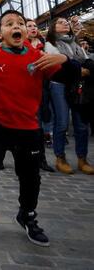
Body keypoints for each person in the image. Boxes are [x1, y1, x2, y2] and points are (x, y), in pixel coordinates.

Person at [0, 10, 81, 247]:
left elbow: (71, 75)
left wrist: (64, 59)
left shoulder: (38, 56)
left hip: (28, 127)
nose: (16, 26)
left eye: (20, 23)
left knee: (30, 176)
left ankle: (27, 215)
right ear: (0, 34)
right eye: (9, 24)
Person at [45, 17, 94, 174]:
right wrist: (78, 70)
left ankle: (82, 159)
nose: (65, 23)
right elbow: (58, 68)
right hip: (59, 85)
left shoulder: (75, 43)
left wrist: (82, 68)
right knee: (62, 122)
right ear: (53, 28)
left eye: (66, 22)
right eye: (60, 22)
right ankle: (60, 158)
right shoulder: (50, 44)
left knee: (81, 124)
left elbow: (86, 62)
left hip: (78, 85)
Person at [26, 19, 55, 172]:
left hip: (43, 88)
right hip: (25, 89)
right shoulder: (21, 45)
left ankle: (41, 159)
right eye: (29, 26)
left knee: (40, 124)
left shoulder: (45, 45)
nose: (33, 28)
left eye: (35, 26)